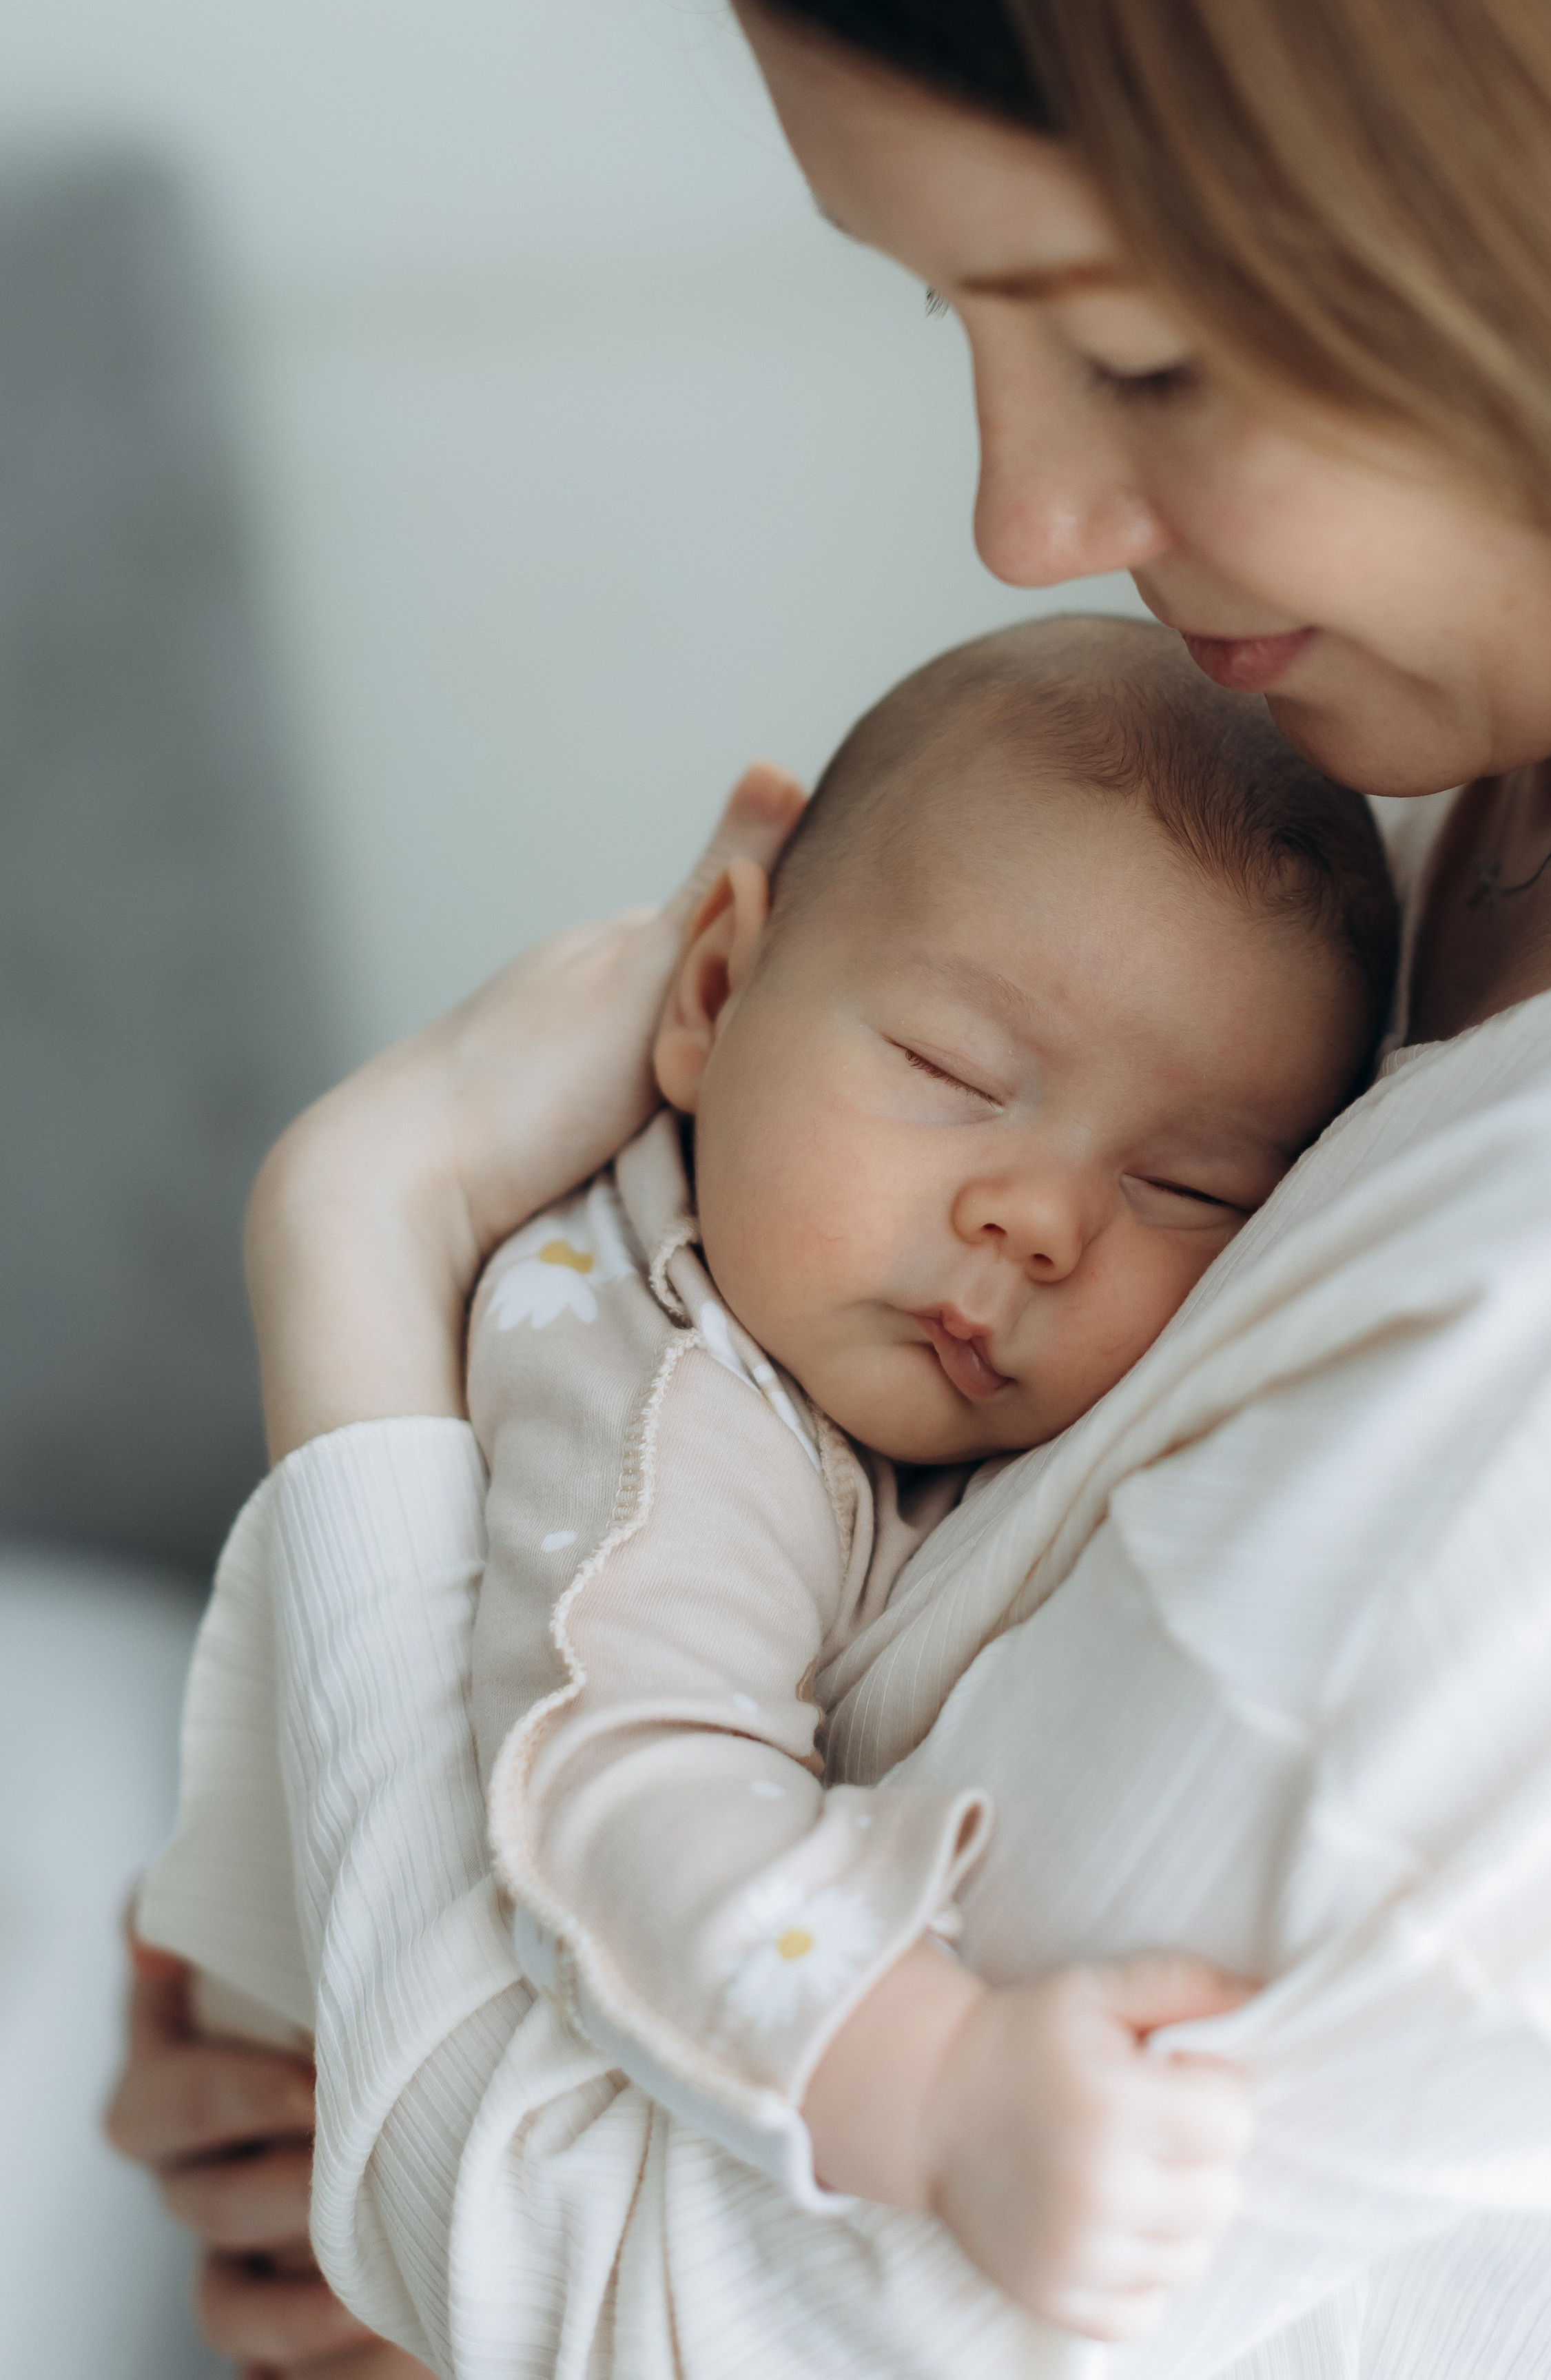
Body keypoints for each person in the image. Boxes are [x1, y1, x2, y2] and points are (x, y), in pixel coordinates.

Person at [108, 0, 1551, 2372]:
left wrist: (361, 1231)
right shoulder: (1464, 782)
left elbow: (618, 2306)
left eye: (1144, 350)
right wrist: (310, 1888)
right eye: (950, 307)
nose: (1015, 522)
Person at [135, 614, 1395, 2341]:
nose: (1040, 1219)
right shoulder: (672, 1377)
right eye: (954, 1075)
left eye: (1191, 1186)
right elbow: (629, 1777)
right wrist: (937, 2088)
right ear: (715, 989)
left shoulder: (842, 1355)